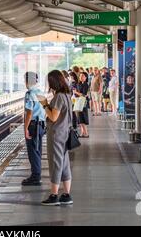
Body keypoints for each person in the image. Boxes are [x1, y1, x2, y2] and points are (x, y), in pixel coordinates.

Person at [39, 70, 73, 206]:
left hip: (56, 135)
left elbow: (53, 117)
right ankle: (66, 194)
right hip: (65, 133)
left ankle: (54, 195)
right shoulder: (66, 95)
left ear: (53, 82)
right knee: (64, 164)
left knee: (55, 163)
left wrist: (45, 104)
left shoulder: (59, 97)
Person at [22, 72, 46, 186]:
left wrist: (25, 128)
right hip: (41, 125)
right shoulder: (40, 92)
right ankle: (36, 174)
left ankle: (36, 177)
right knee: (38, 150)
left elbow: (29, 112)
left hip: (33, 125)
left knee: (33, 152)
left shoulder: (29, 93)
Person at [73, 72, 90, 137]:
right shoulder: (79, 84)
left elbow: (84, 95)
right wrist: (76, 93)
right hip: (78, 102)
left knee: (83, 117)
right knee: (79, 118)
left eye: (82, 76)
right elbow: (76, 93)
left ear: (85, 77)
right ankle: (82, 132)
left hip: (83, 103)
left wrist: (76, 92)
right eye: (80, 76)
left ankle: (86, 133)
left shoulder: (86, 85)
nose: (81, 77)